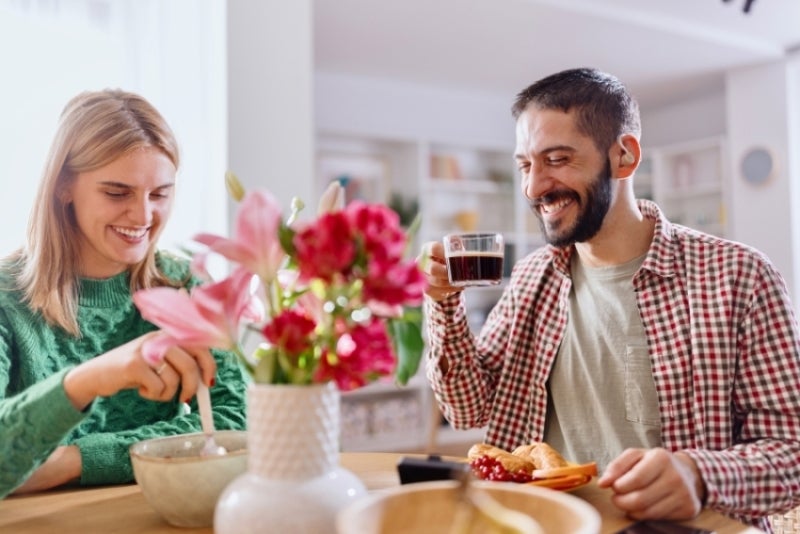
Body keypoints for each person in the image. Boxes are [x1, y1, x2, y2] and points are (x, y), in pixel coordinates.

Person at [420, 68, 800, 530]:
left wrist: (699, 475)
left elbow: (791, 452)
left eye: (557, 159)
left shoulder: (739, 276)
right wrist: (444, 304)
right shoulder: (533, 276)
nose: (534, 187)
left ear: (624, 157)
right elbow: (467, 408)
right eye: (525, 164)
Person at [0, 89, 247, 498]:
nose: (143, 216)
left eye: (160, 194)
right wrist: (92, 378)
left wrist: (72, 460)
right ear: (64, 187)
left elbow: (236, 422)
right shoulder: (7, 297)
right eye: (117, 193)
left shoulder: (182, 286)